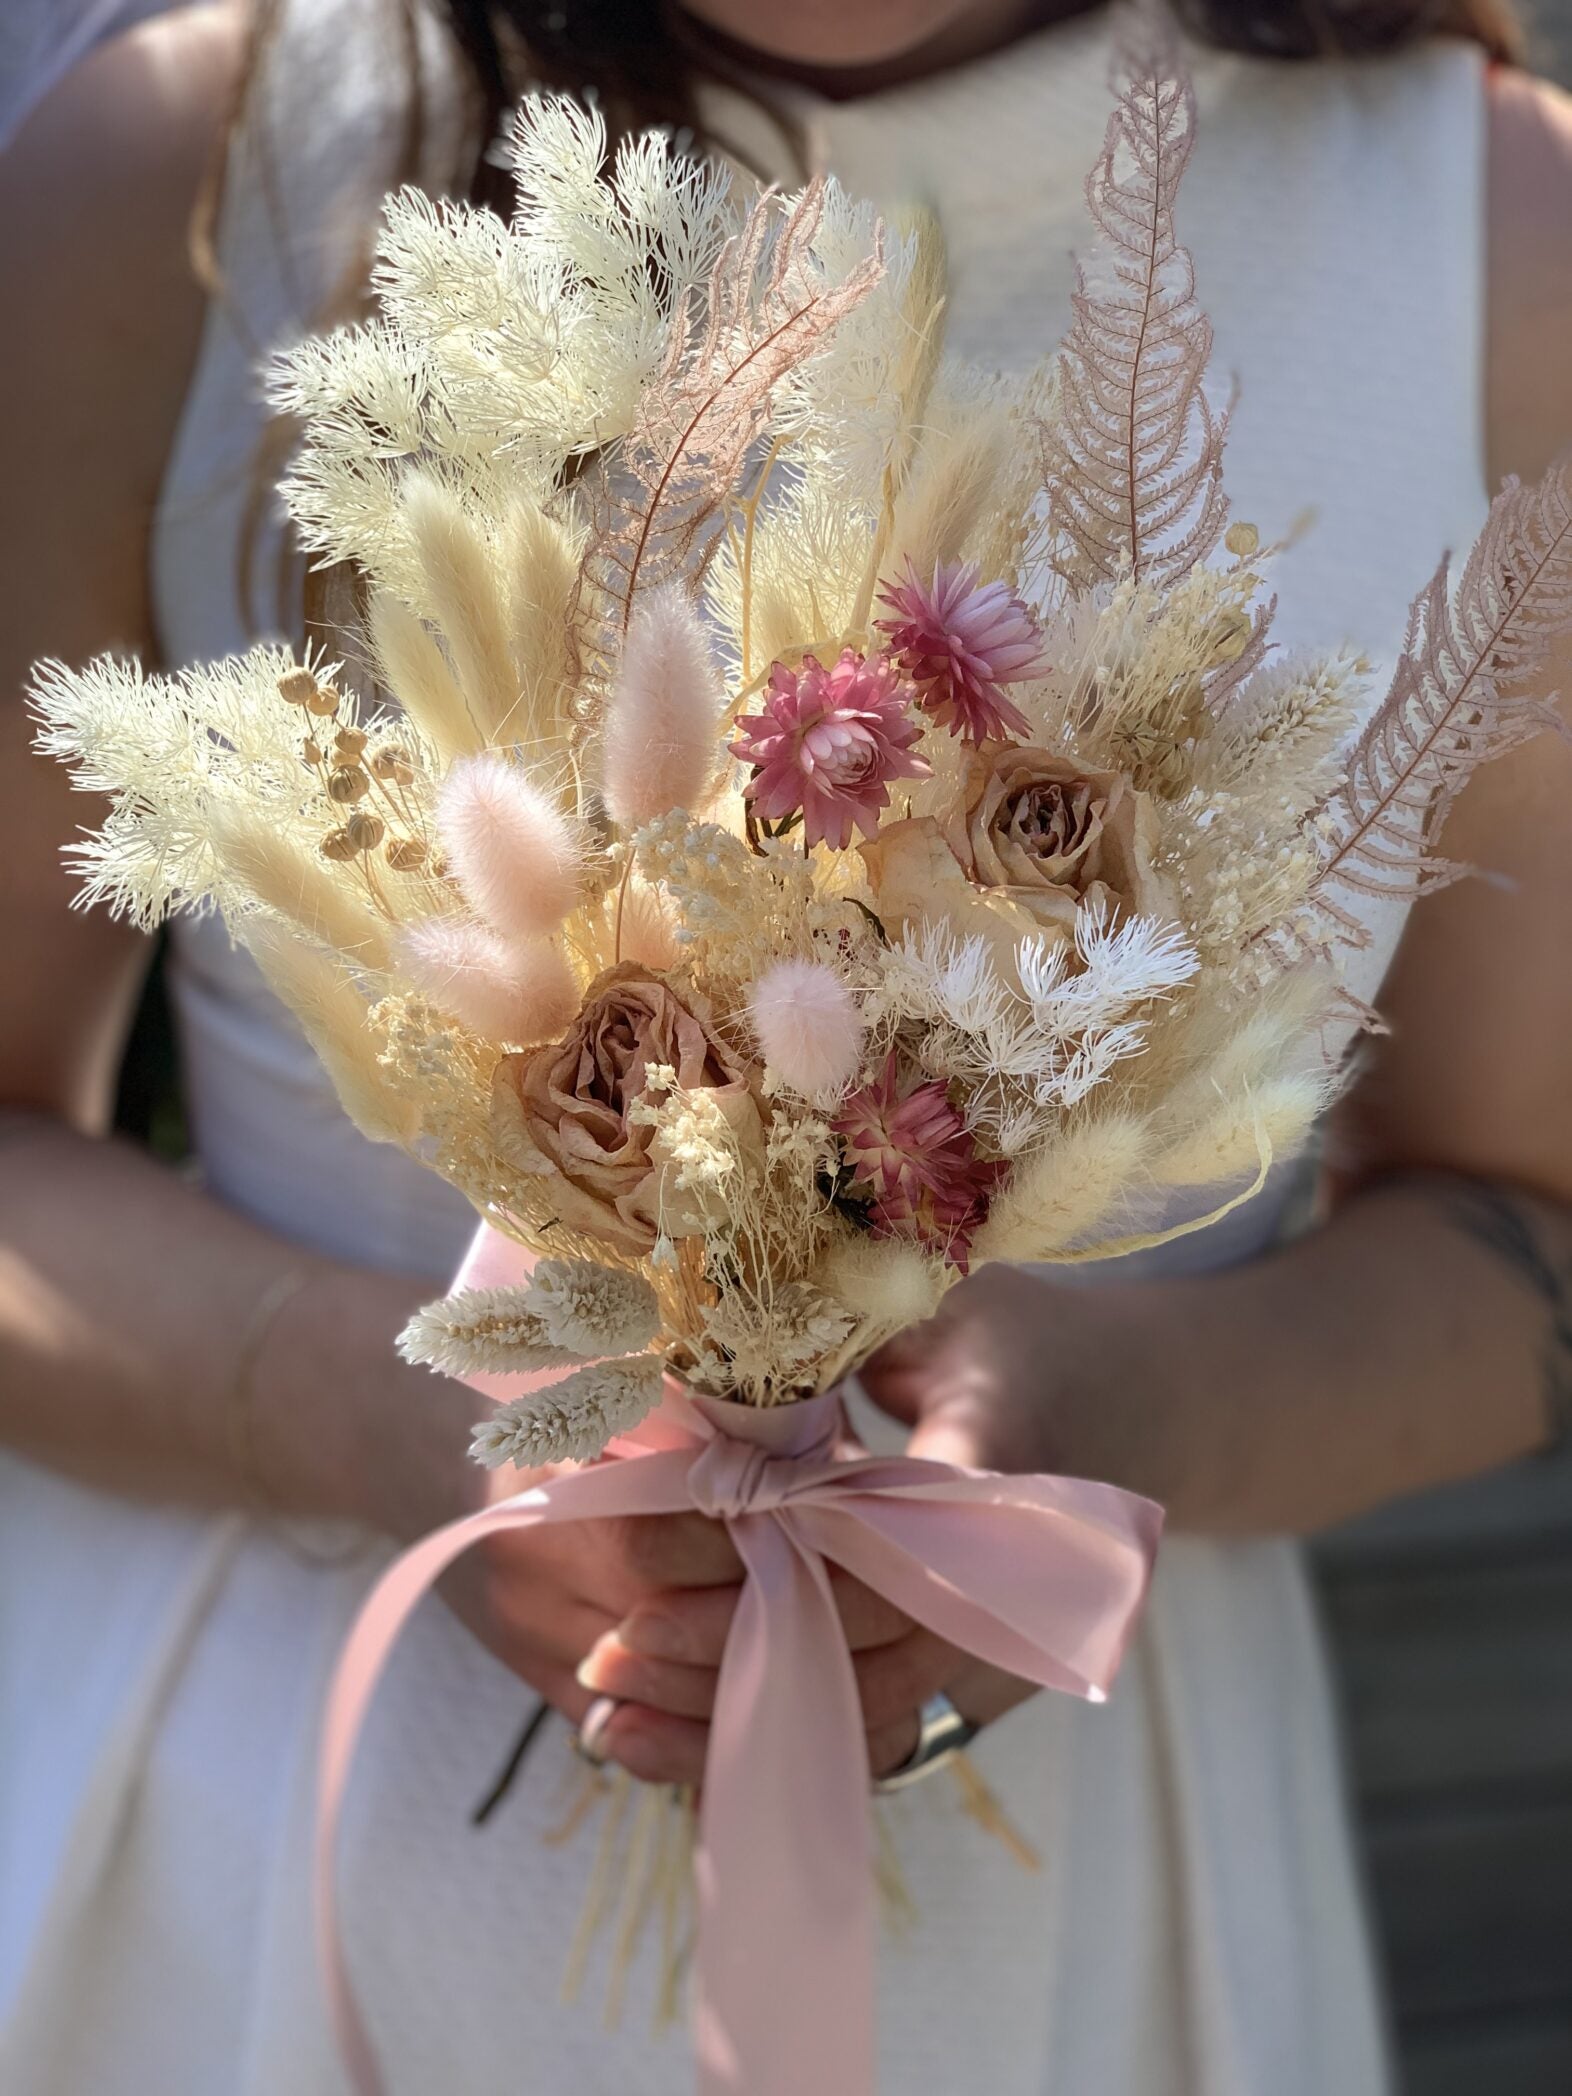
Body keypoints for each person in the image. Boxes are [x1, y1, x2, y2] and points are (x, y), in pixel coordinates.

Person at [2, 1, 1569, 2090]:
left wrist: (1137, 1414)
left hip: (1069, 1935)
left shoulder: (1494, 231)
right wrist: (387, 1424)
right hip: (243, 1896)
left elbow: (1524, 1230)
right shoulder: (183, 162)